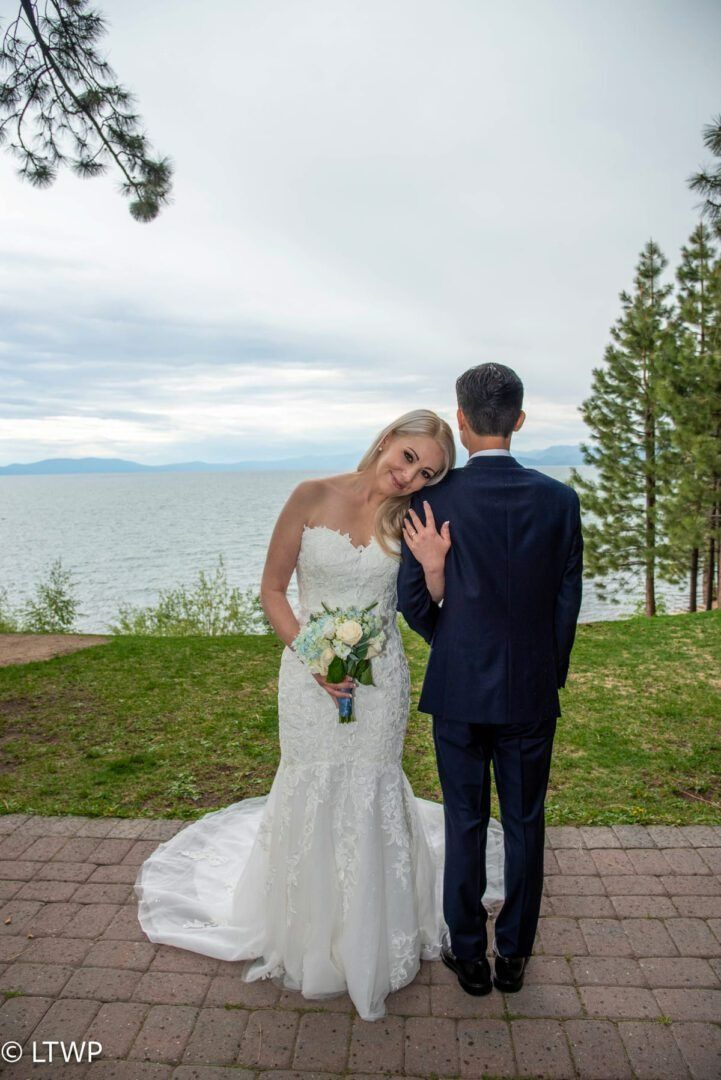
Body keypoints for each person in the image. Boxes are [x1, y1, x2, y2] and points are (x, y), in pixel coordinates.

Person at [134, 409, 505, 1022]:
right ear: (387, 439)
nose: (409, 476)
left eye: (427, 472)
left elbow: (429, 607)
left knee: (371, 785)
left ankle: (374, 930)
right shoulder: (309, 496)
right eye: (408, 456)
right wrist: (316, 660)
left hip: (380, 682)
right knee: (310, 781)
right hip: (307, 678)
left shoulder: (415, 520)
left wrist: (436, 569)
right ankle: (307, 930)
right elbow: (273, 590)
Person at [398, 364, 583, 997]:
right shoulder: (561, 501)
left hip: (458, 691)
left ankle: (469, 955)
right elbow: (566, 601)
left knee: (465, 819)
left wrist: (451, 647)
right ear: (521, 420)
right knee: (526, 821)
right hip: (531, 692)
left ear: (461, 420)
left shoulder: (431, 500)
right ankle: (516, 956)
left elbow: (413, 603)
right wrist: (544, 673)